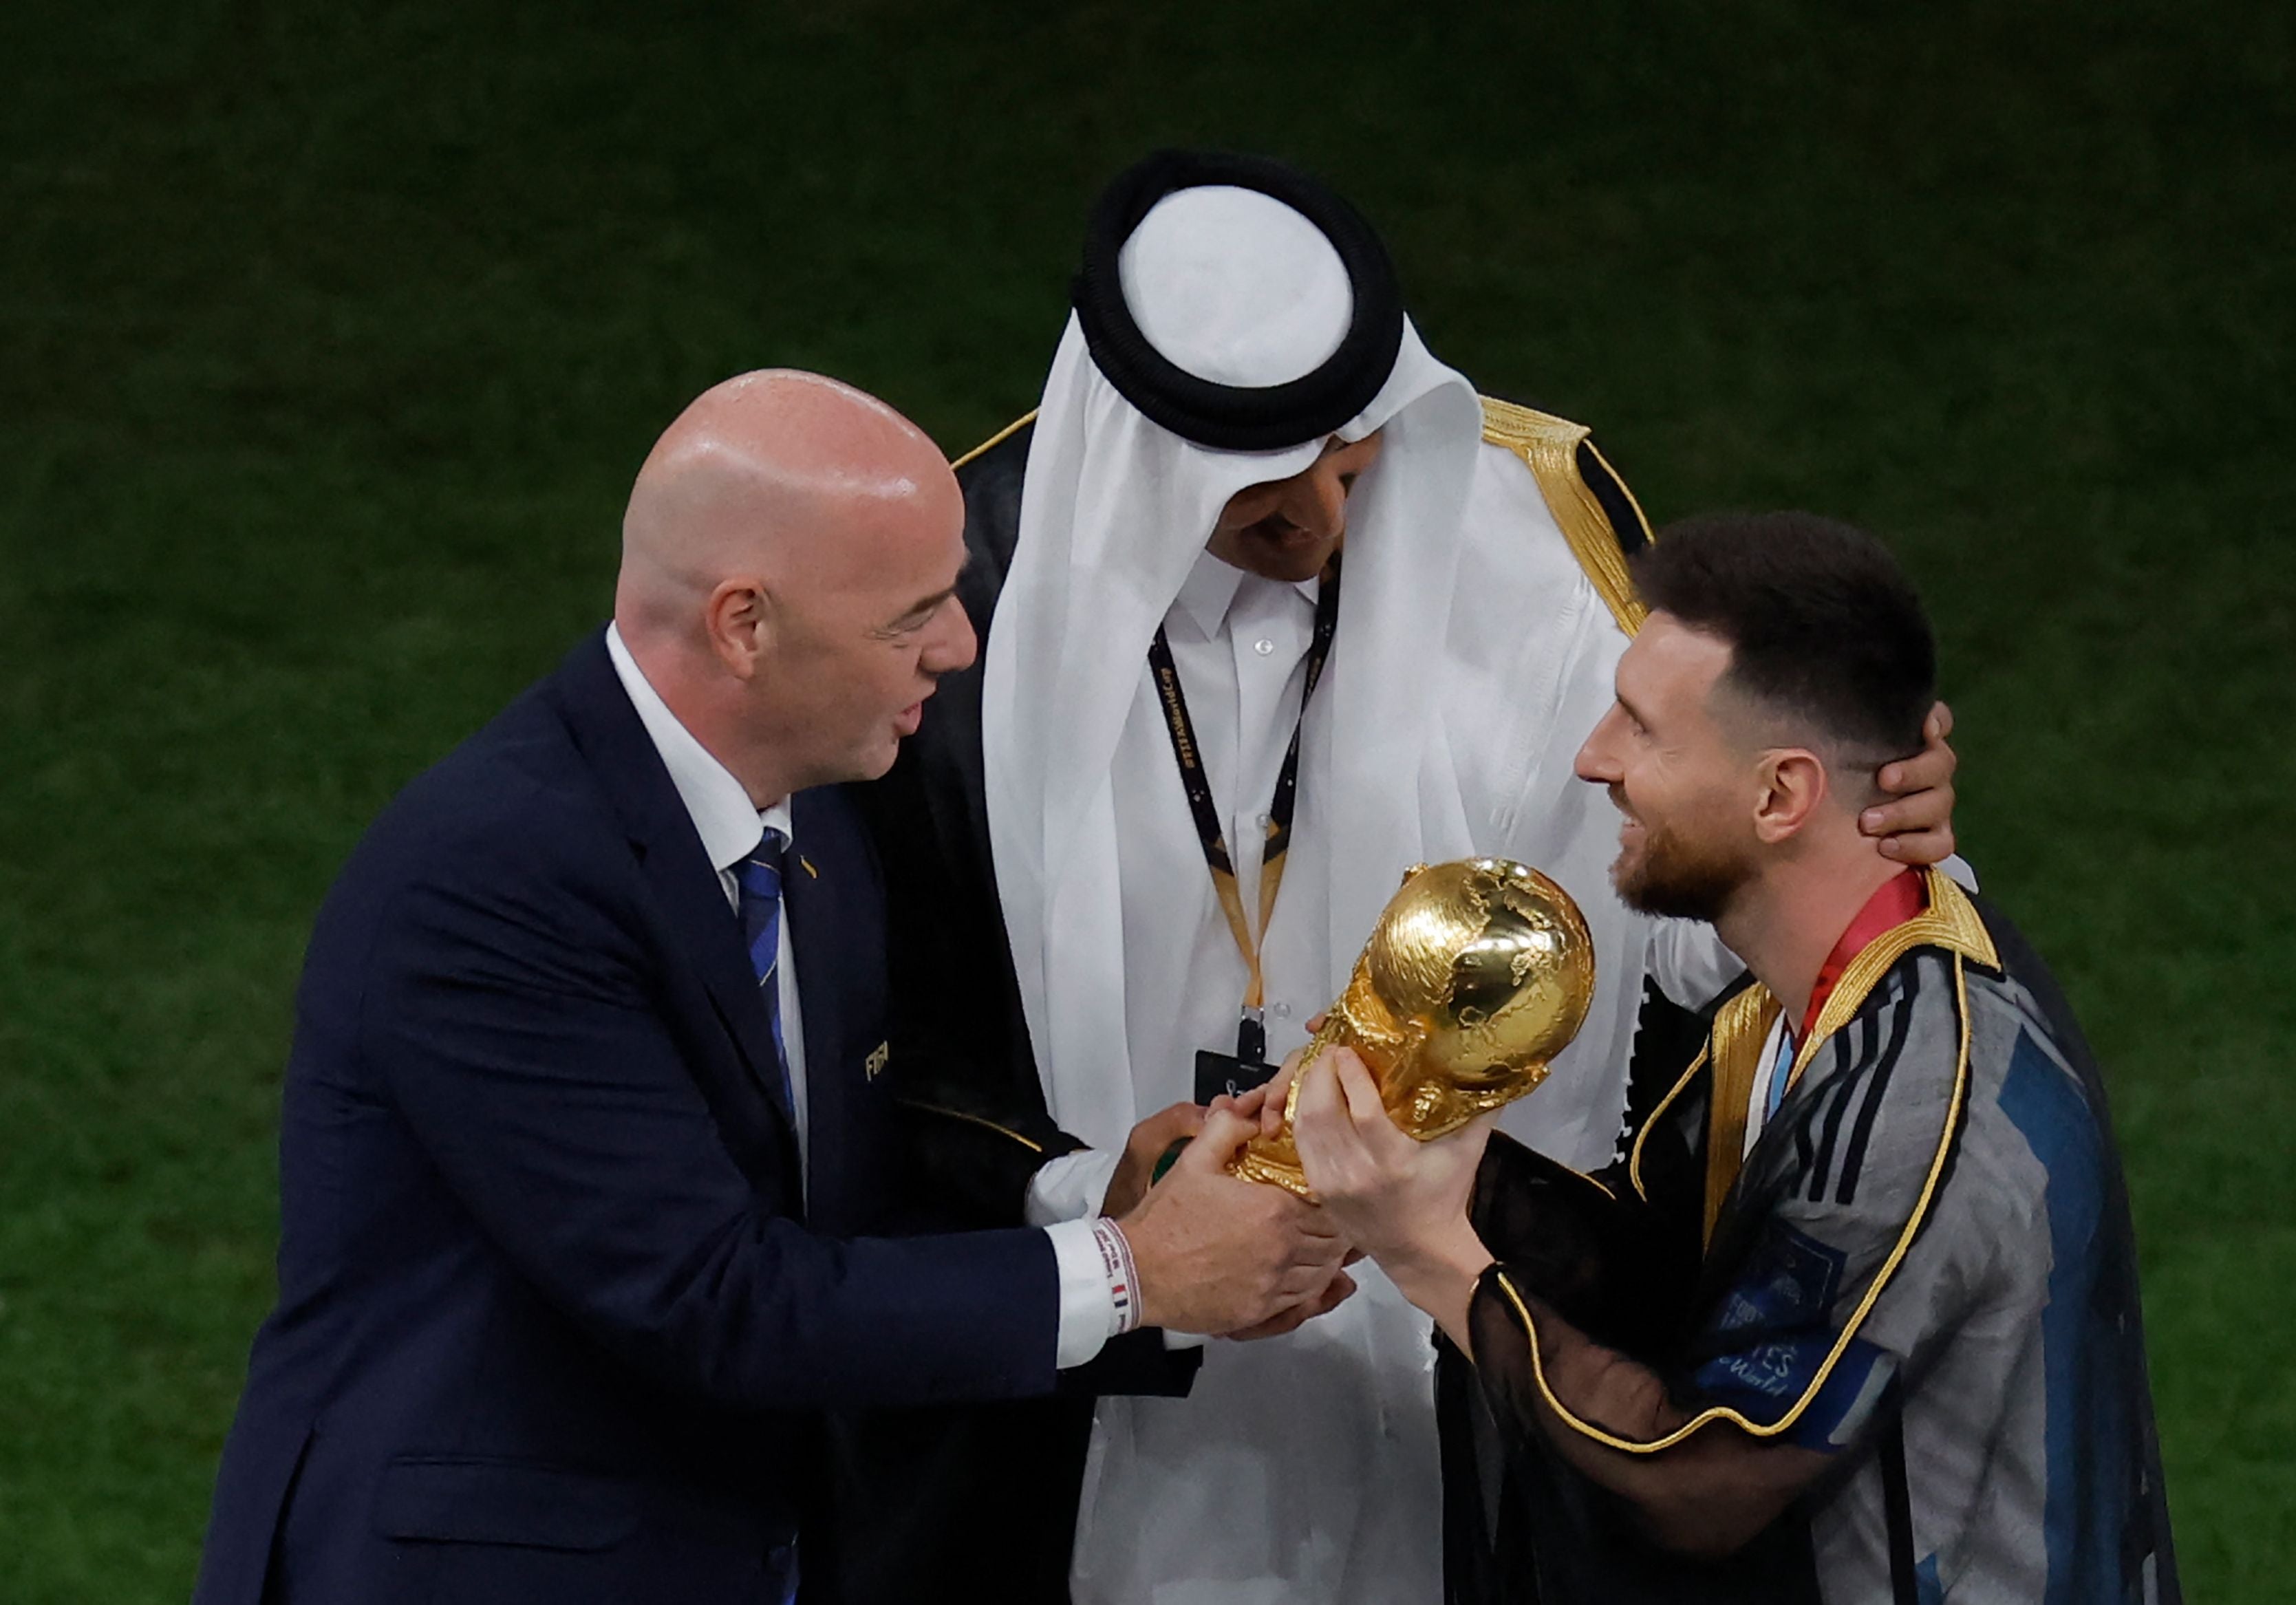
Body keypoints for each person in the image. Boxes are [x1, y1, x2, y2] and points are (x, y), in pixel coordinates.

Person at [849, 151, 1966, 1603]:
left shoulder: (1523, 546)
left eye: (1355, 461)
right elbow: (867, 1040)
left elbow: (1671, 907)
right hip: (1092, 1380)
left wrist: (1835, 823)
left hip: (1442, 1351)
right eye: (1259, 497)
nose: (1317, 518)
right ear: (1143, 466)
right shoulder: (956, 613)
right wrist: (1090, 1196)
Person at [189, 369, 1348, 1605]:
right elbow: (712, 1295)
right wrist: (1130, 1271)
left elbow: (827, 1227)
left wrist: (1092, 1208)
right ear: (746, 625)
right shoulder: (494, 880)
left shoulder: (815, 831)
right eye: (915, 615)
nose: (960, 649)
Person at [1294, 512, 2181, 1603]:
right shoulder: (1791, 1012)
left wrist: (1431, 1255)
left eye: (1640, 727)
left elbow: (1701, 1480)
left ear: (1781, 795)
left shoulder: (1916, 1096)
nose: (1593, 759)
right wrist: (1429, 1157)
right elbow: (1666, 1277)